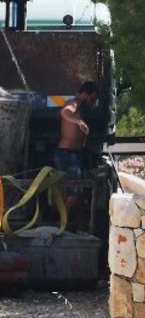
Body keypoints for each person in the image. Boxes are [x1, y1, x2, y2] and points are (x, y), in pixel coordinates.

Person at [54, 81, 99, 229]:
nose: (93, 103)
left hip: (77, 155)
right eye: (92, 99)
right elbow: (65, 112)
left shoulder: (83, 107)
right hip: (67, 155)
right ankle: (60, 226)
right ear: (85, 94)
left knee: (80, 194)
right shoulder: (74, 103)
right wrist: (79, 121)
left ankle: (81, 227)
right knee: (74, 192)